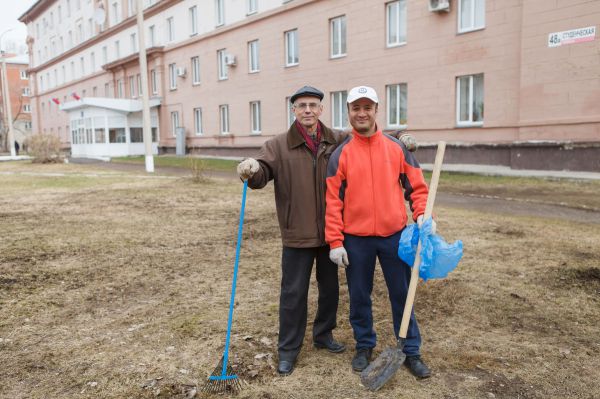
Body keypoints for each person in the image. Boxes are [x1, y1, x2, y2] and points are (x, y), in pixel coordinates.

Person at [325, 86, 435, 379]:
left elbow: (417, 187)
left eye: (367, 107)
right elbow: (332, 201)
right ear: (348, 112)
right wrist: (336, 241)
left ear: (376, 110)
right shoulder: (341, 154)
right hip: (356, 239)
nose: (362, 113)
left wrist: (422, 214)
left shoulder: (395, 148)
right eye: (356, 108)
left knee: (403, 293)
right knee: (360, 295)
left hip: (394, 235)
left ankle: (411, 350)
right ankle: (364, 345)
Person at [236, 86, 346, 376]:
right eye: (301, 105)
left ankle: (323, 336)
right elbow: (261, 173)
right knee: (293, 293)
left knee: (331, 290)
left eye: (313, 105)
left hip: (331, 234)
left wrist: (399, 139)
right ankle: (288, 350)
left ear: (321, 109)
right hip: (296, 233)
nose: (307, 110)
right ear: (293, 110)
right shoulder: (278, 145)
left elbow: (370, 139)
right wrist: (251, 169)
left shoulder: (338, 140)